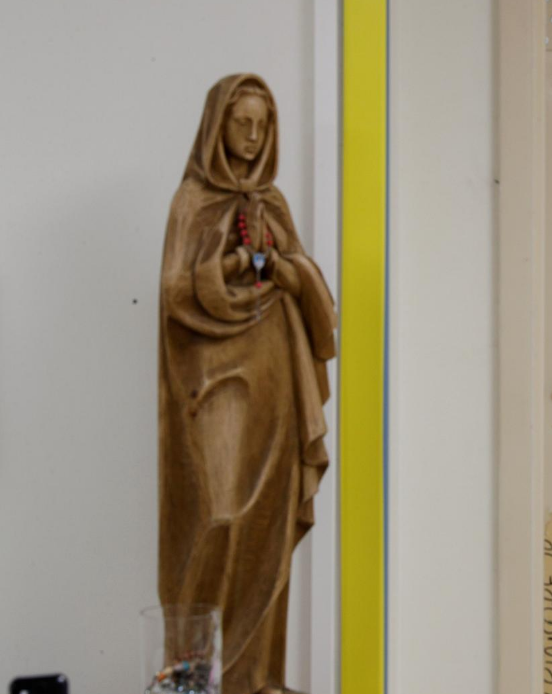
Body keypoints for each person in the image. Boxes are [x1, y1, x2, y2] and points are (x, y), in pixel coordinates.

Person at [159, 74, 337, 694]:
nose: (254, 134)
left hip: (276, 382)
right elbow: (175, 293)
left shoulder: (274, 203)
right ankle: (201, 679)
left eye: (264, 122)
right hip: (215, 382)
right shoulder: (192, 202)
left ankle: (261, 678)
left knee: (269, 523)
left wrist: (286, 269)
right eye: (242, 122)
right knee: (219, 515)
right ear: (218, 125)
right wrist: (233, 264)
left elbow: (310, 285)